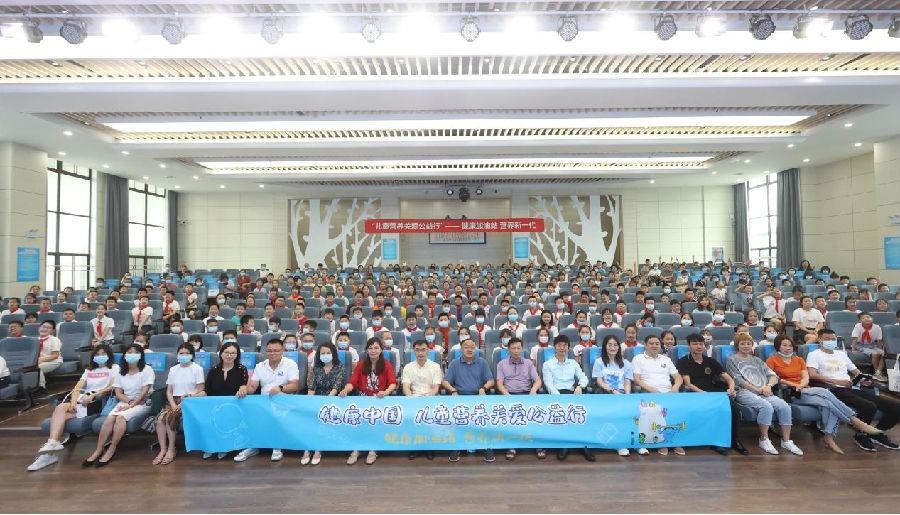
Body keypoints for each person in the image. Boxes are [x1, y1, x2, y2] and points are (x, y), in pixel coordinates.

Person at [765, 335, 882, 454]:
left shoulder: (798, 359)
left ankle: (829, 437)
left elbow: (806, 377)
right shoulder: (772, 360)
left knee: (827, 403)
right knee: (824, 392)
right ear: (778, 346)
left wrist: (801, 385)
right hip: (789, 392)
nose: (788, 348)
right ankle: (854, 421)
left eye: (790, 345)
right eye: (784, 345)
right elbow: (773, 378)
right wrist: (793, 385)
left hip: (804, 389)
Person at [806, 329, 900, 452]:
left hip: (850, 388)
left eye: (833, 339)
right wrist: (837, 381)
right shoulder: (814, 354)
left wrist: (864, 380)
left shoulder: (841, 354)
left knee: (896, 407)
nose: (831, 341)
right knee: (869, 406)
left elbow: (856, 371)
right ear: (819, 340)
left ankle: (876, 434)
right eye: (827, 339)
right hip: (832, 390)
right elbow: (812, 375)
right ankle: (860, 435)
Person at [28, 345, 118, 471]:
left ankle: (48, 454)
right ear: (93, 356)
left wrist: (93, 395)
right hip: (81, 400)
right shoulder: (89, 370)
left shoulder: (114, 368)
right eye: (97, 354)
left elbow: (112, 386)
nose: (100, 356)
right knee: (61, 408)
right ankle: (52, 445)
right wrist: (73, 402)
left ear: (109, 355)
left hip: (97, 401)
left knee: (61, 417)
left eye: (103, 353)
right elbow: (77, 388)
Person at [726, 333, 801, 455]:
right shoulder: (731, 360)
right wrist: (758, 390)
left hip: (764, 390)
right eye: (742, 344)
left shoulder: (757, 360)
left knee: (784, 406)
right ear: (737, 346)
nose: (746, 346)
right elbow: (739, 381)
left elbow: (773, 376)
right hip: (744, 392)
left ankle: (786, 441)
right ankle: (764, 439)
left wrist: (768, 386)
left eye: (748, 344)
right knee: (766, 406)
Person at [677, 333, 748, 456]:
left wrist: (731, 388)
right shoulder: (683, 362)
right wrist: (704, 394)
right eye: (695, 344)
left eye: (701, 344)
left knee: (734, 409)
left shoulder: (710, 361)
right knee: (714, 410)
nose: (699, 346)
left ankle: (734, 440)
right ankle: (716, 441)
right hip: (695, 394)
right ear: (689, 346)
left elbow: (728, 378)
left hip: (714, 392)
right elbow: (688, 384)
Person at [84, 344, 154, 467]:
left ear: (141, 355)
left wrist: (131, 405)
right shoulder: (121, 371)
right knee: (109, 419)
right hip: (125, 401)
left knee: (120, 417)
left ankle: (112, 448)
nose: (132, 355)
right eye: (129, 352)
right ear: (124, 355)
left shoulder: (147, 369)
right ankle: (98, 450)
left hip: (142, 402)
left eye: (135, 352)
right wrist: (129, 402)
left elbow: (144, 391)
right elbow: (118, 393)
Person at [234, 339, 300, 463]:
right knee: (248, 410)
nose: (272, 353)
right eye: (269, 351)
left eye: (276, 350)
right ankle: (252, 446)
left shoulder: (290, 364)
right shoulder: (260, 366)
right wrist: (244, 388)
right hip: (264, 402)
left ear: (282, 351)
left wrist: (280, 388)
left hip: (283, 401)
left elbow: (294, 386)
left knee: (275, 414)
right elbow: (252, 387)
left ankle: (277, 446)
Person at [339, 337, 397, 465]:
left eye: (376, 348)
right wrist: (345, 390)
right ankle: (356, 449)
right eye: (370, 348)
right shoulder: (361, 365)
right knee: (358, 419)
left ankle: (373, 449)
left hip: (380, 399)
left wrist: (386, 392)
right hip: (363, 399)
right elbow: (352, 382)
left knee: (375, 420)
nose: (373, 351)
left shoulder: (386, 364)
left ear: (381, 350)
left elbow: (393, 383)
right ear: (366, 350)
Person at [442, 338, 495, 463]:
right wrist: (453, 390)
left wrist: (484, 388)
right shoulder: (454, 363)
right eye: (466, 347)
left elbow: (491, 381)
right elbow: (445, 382)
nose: (469, 349)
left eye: (472, 347)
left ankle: (487, 446)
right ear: (461, 349)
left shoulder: (482, 362)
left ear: (475, 349)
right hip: (460, 398)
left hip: (478, 397)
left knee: (484, 418)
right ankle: (456, 446)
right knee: (457, 418)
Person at [631, 334, 685, 456]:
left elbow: (678, 377)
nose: (654, 346)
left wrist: (675, 387)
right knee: (657, 410)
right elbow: (637, 379)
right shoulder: (638, 358)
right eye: (651, 343)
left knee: (680, 409)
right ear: (645, 345)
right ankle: (662, 442)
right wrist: (652, 390)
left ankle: (676, 441)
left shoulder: (666, 359)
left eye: (657, 344)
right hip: (649, 393)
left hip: (669, 393)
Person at [541, 335, 592, 461]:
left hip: (572, 393)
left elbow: (584, 378)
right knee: (564, 413)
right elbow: (549, 384)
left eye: (565, 345)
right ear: (554, 347)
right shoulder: (548, 364)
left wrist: (580, 386)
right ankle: (565, 444)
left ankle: (583, 444)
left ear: (568, 348)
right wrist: (560, 398)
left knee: (581, 414)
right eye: (559, 345)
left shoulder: (573, 363)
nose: (562, 348)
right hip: (556, 395)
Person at [153, 343, 205, 466]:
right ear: (177, 354)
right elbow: (169, 391)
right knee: (160, 419)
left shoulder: (197, 369)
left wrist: (184, 402)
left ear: (192, 355)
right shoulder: (173, 369)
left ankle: (171, 449)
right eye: (181, 353)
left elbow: (201, 391)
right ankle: (163, 450)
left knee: (170, 417)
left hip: (190, 401)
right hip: (174, 401)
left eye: (187, 353)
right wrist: (173, 404)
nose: (184, 355)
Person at [495, 337, 543, 461]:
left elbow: (538, 380)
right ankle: (512, 446)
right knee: (511, 418)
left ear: (522, 349)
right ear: (508, 350)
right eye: (513, 348)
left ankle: (538, 445)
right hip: (509, 395)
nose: (516, 351)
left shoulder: (528, 363)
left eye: (518, 348)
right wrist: (506, 394)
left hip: (527, 394)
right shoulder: (501, 364)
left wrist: (533, 390)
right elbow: (499, 383)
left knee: (535, 417)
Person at [202, 341, 248, 460]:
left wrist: (243, 388)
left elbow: (243, 386)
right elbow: (206, 391)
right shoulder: (213, 370)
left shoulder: (242, 369)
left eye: (233, 353)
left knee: (226, 417)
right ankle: (211, 446)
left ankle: (224, 447)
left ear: (237, 355)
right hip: (214, 406)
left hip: (233, 406)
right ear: (221, 354)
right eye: (226, 352)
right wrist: (192, 396)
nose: (229, 355)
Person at [592, 335, 636, 457]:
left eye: (615, 345)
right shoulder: (599, 362)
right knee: (617, 415)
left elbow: (627, 382)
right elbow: (599, 382)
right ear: (605, 347)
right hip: (606, 392)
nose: (613, 347)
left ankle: (635, 443)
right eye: (610, 345)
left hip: (622, 393)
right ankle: (620, 444)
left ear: (619, 347)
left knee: (632, 414)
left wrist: (627, 395)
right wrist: (613, 391)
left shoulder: (626, 363)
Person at [302, 342, 345, 466]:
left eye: (328, 353)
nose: (325, 355)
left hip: (333, 401)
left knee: (322, 419)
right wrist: (310, 403)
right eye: (323, 353)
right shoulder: (316, 368)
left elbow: (336, 387)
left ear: (333, 354)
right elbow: (311, 388)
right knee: (308, 418)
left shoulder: (340, 367)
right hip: (317, 399)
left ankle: (318, 450)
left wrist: (325, 403)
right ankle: (306, 449)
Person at [402, 339, 443, 460]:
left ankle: (429, 447)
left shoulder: (435, 366)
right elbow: (406, 387)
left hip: (430, 398)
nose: (420, 353)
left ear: (428, 351)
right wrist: (411, 399)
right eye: (417, 350)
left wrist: (427, 399)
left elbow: (436, 387)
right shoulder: (408, 367)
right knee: (412, 417)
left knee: (429, 417)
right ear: (414, 351)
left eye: (423, 350)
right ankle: (414, 447)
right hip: (413, 398)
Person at [851, 312, 887, 382]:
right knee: (875, 354)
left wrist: (880, 350)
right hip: (860, 345)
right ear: (860, 320)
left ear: (872, 319)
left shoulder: (877, 327)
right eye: (863, 318)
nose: (866, 319)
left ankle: (878, 373)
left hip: (872, 345)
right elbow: (855, 338)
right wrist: (853, 349)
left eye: (868, 317)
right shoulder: (858, 326)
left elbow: (879, 341)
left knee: (884, 354)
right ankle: (877, 372)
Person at [36, 320, 62, 391]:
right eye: (43, 327)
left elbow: (55, 355)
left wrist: (40, 360)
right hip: (39, 362)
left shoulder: (54, 340)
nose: (45, 329)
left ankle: (42, 388)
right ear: (39, 328)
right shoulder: (35, 340)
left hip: (53, 361)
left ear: (53, 331)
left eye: (48, 328)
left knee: (37, 368)